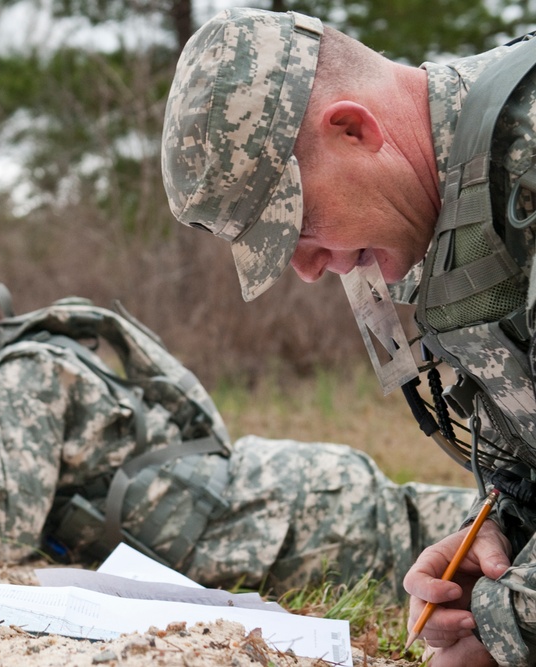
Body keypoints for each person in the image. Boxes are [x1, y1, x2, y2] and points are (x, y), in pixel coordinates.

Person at [160, 8, 536, 665]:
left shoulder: (527, 149)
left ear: (354, 129)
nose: (306, 270)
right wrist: (501, 535)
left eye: (299, 224)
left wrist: (503, 622)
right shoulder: (427, 219)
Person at [0, 240, 475, 597]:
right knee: (487, 530)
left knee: (492, 549)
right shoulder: (39, 358)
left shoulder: (10, 376)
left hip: (300, 527)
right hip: (295, 501)